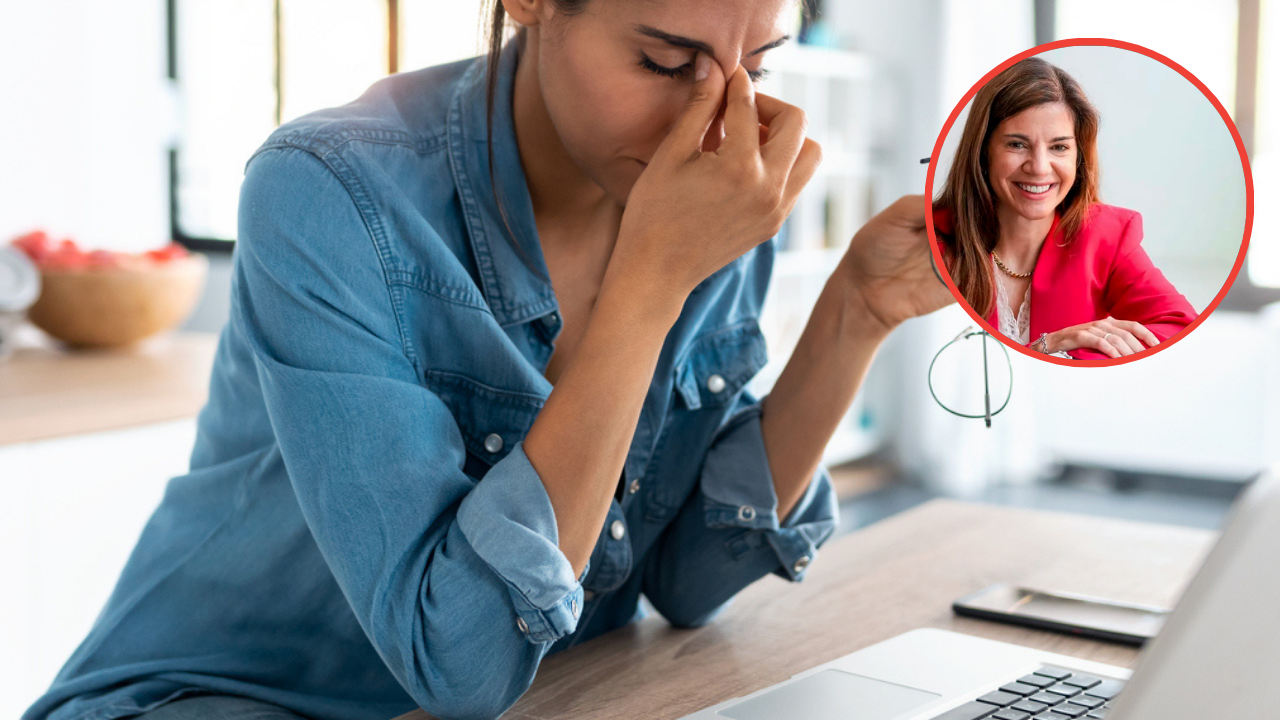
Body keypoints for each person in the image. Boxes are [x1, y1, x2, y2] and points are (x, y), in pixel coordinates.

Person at [23, 2, 951, 719]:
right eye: (666, 62)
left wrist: (854, 315)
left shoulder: (707, 189)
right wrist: (649, 285)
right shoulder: (328, 190)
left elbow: (686, 580)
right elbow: (458, 661)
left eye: (757, 65)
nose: (717, 125)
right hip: (221, 698)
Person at [932, 56, 1197, 360]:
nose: (1039, 167)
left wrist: (1077, 353)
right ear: (982, 152)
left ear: (1078, 157)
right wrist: (1044, 350)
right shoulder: (935, 240)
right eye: (1017, 144)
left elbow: (1181, 328)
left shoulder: (1108, 236)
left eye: (1059, 147)